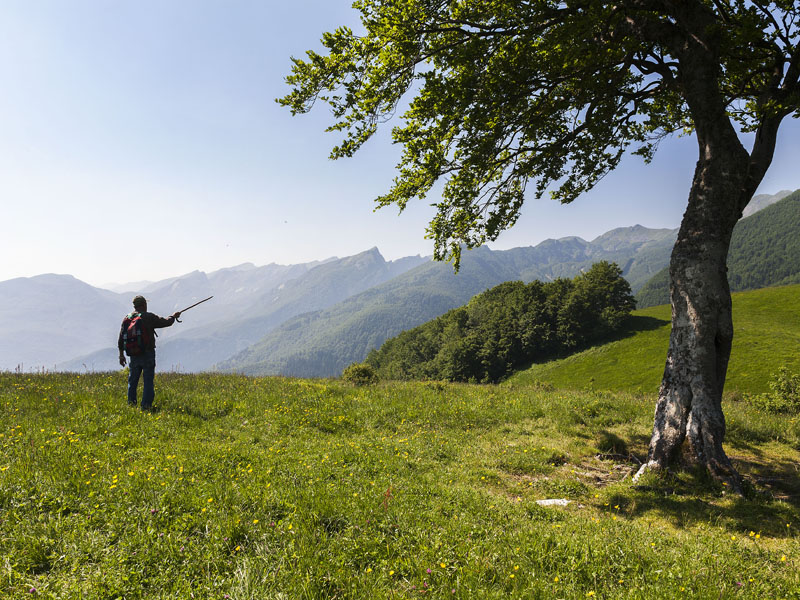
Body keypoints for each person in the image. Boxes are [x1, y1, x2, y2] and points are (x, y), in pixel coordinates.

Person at [118, 295, 181, 411]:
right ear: (144, 305)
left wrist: (121, 355)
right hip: (147, 353)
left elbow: (121, 338)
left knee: (132, 381)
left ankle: (131, 405)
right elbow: (166, 322)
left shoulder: (127, 318)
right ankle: (146, 406)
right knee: (147, 380)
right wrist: (173, 316)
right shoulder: (148, 317)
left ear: (135, 306)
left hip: (133, 355)